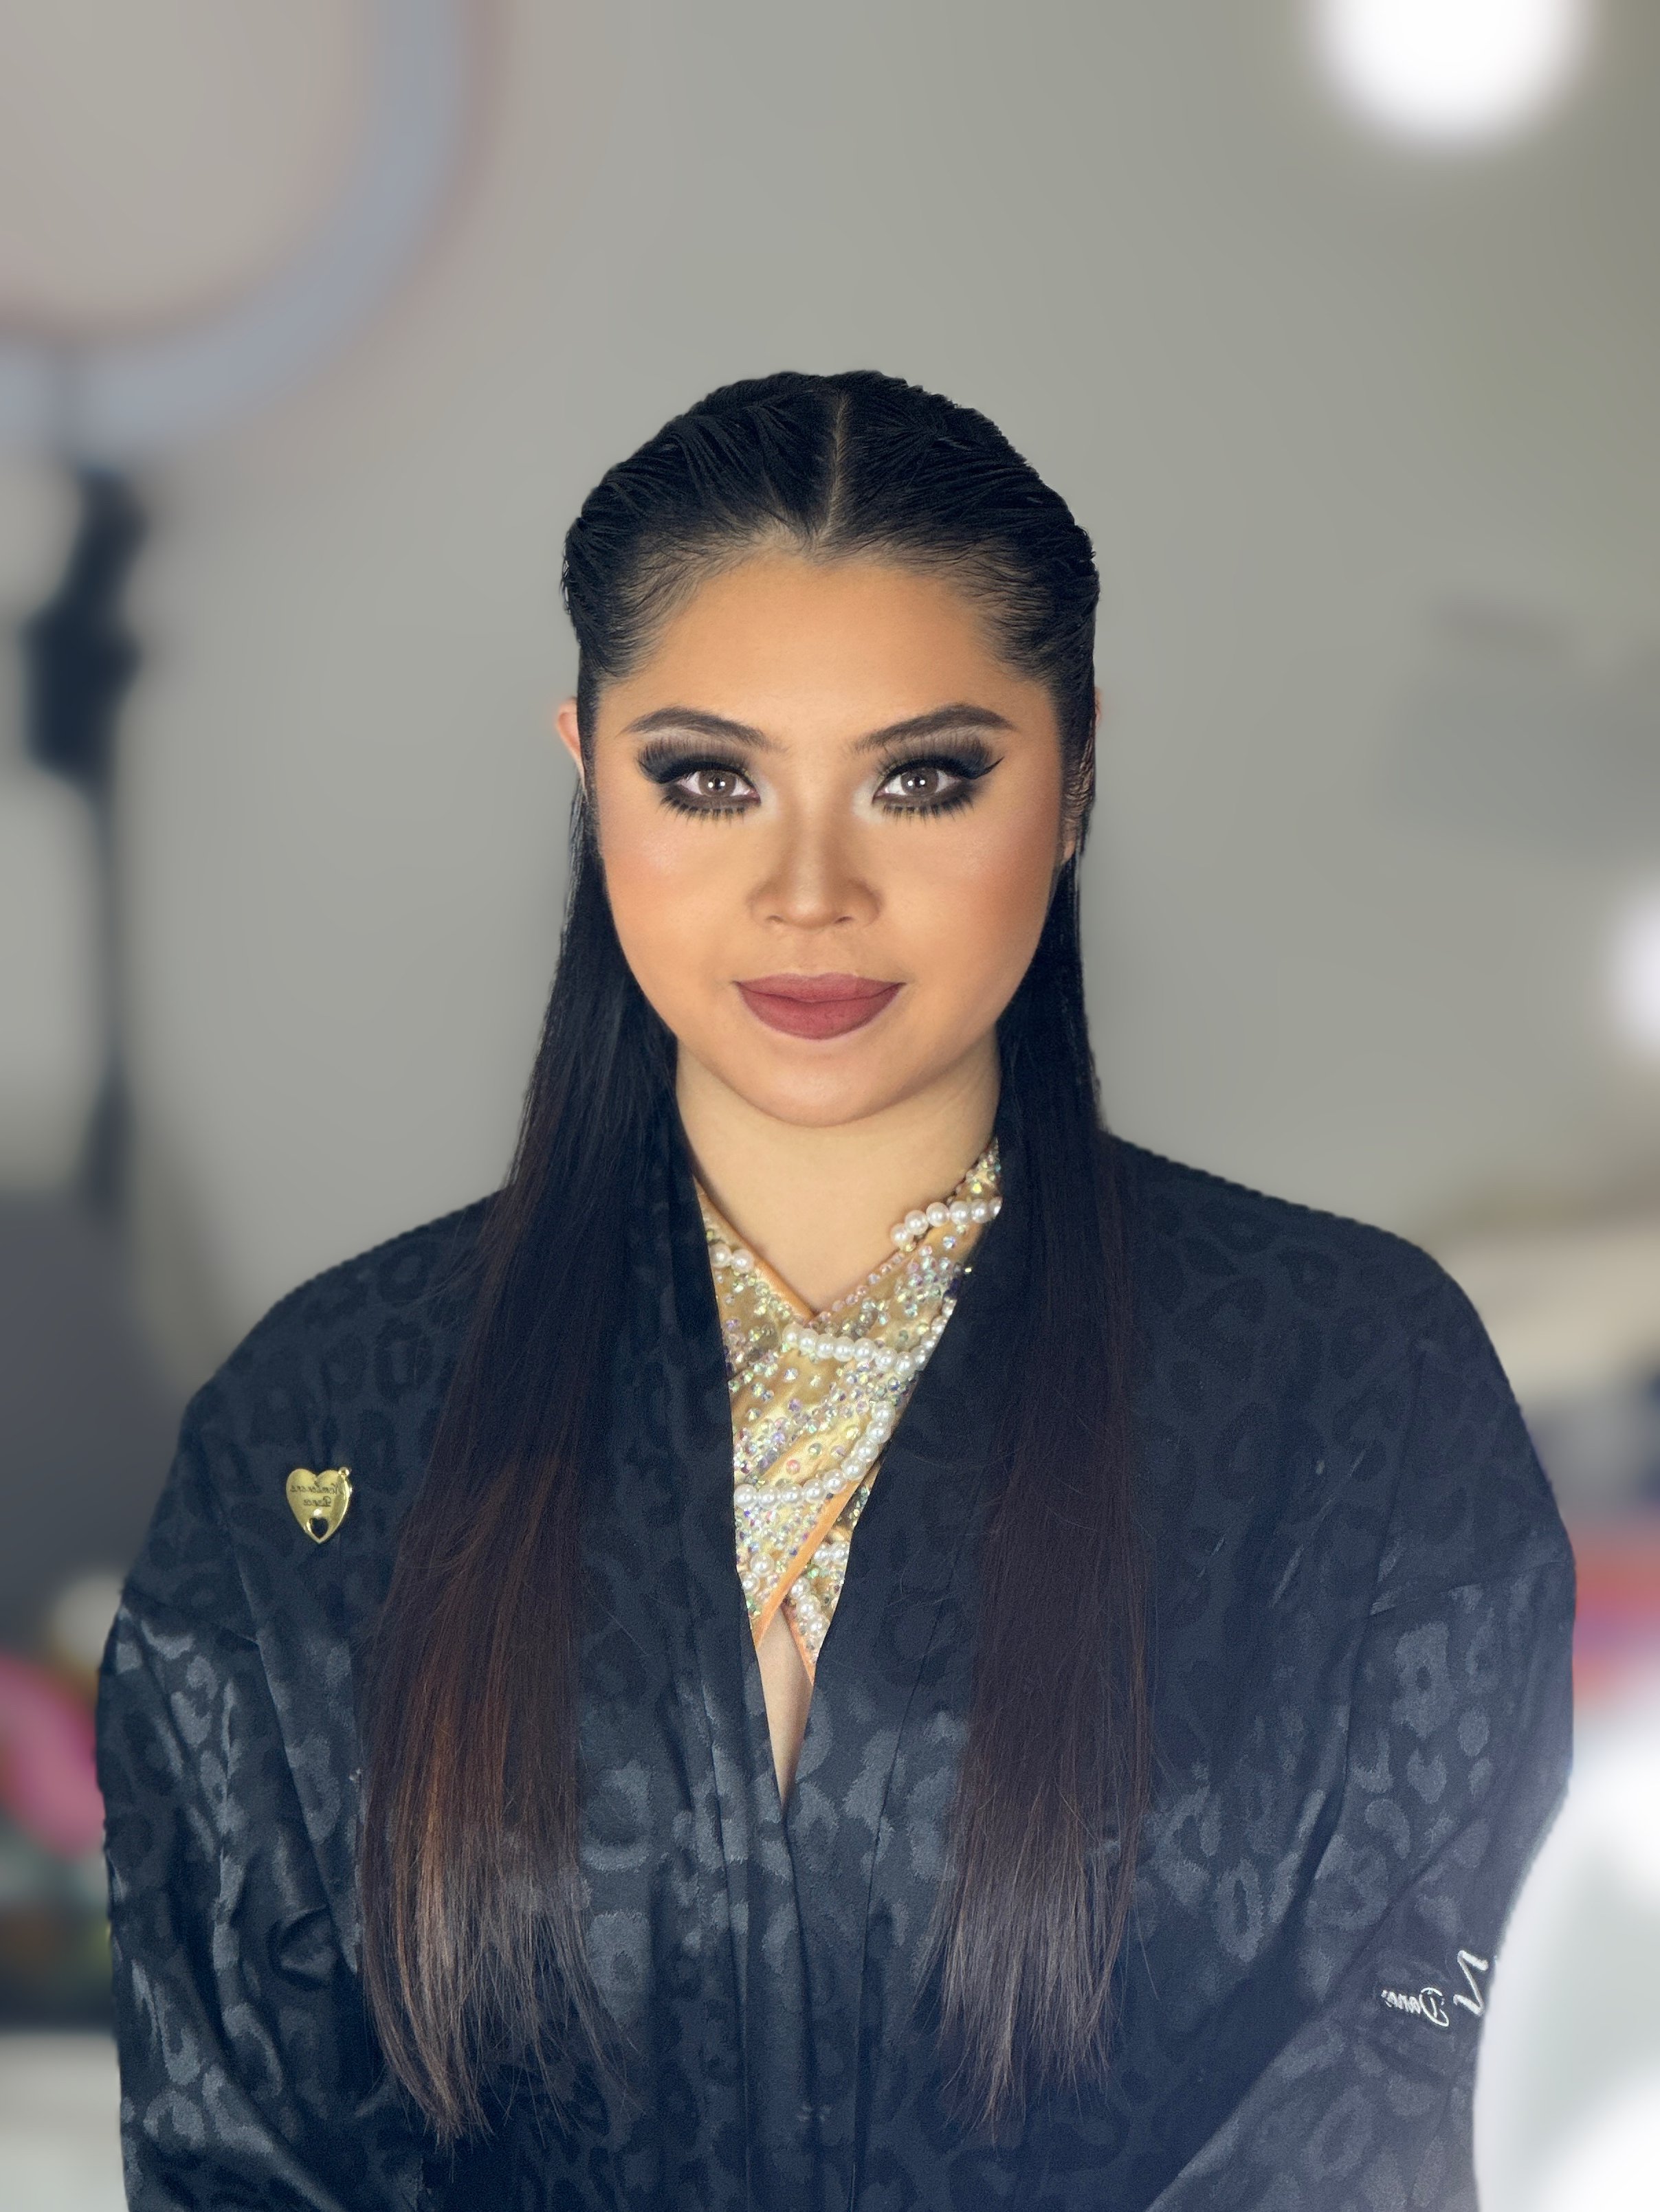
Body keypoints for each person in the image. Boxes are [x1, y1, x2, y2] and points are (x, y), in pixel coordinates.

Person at [97, 370, 1573, 2211]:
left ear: (1077, 773)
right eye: (708, 779)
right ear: (586, 768)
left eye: (923, 778)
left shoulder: (1358, 1392)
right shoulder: (320, 1422)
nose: (812, 891)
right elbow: (236, 2140)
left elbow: (1405, 2090)